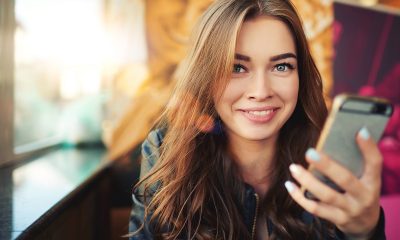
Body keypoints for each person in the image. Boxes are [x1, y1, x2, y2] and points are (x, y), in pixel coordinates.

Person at [128, 0, 386, 239]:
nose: (261, 91)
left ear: (301, 76)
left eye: (281, 66)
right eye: (236, 67)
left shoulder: (331, 164)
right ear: (206, 75)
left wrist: (365, 232)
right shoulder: (165, 151)